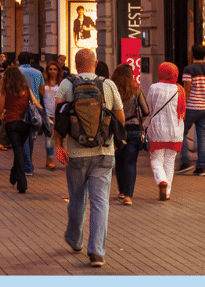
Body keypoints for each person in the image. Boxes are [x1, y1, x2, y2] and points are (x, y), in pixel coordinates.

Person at [54, 48, 124, 268]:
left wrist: (58, 145)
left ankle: (75, 240)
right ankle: (96, 252)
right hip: (104, 153)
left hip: (76, 153)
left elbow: (58, 117)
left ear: (76, 64)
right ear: (95, 64)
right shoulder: (108, 84)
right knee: (100, 202)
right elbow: (119, 117)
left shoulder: (67, 84)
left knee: (76, 198)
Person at [146, 62, 185, 201]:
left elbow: (149, 107)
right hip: (175, 130)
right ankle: (167, 192)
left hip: (157, 130)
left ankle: (162, 181)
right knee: (169, 161)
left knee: (156, 159)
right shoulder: (180, 90)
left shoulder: (154, 88)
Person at [110, 63, 148, 206]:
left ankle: (120, 191)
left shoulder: (113, 92)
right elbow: (145, 111)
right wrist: (139, 122)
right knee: (130, 162)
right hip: (134, 129)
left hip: (117, 130)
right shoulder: (137, 91)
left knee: (119, 161)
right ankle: (128, 196)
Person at [178, 44, 205, 175]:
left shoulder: (188, 69)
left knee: (181, 132)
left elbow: (187, 90)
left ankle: (185, 161)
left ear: (192, 54)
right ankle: (201, 167)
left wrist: (183, 106)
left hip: (192, 107)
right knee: (202, 137)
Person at [0, 65, 37, 194]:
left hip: (11, 123)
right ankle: (14, 175)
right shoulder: (26, 89)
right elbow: (35, 103)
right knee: (19, 149)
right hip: (25, 124)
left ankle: (22, 182)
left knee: (17, 150)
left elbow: (0, 108)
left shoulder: (6, 90)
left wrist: (1, 114)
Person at [15, 52, 44, 175]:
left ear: (18, 61)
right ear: (31, 61)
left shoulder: (15, 73)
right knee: (31, 136)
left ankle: (28, 166)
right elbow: (42, 91)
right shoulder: (38, 73)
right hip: (34, 107)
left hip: (19, 106)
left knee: (24, 137)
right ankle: (28, 163)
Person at [41, 60, 64, 170]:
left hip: (59, 114)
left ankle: (49, 158)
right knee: (49, 138)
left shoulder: (61, 83)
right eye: (50, 69)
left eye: (55, 69)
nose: (53, 71)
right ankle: (51, 159)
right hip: (47, 114)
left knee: (59, 138)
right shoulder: (44, 82)